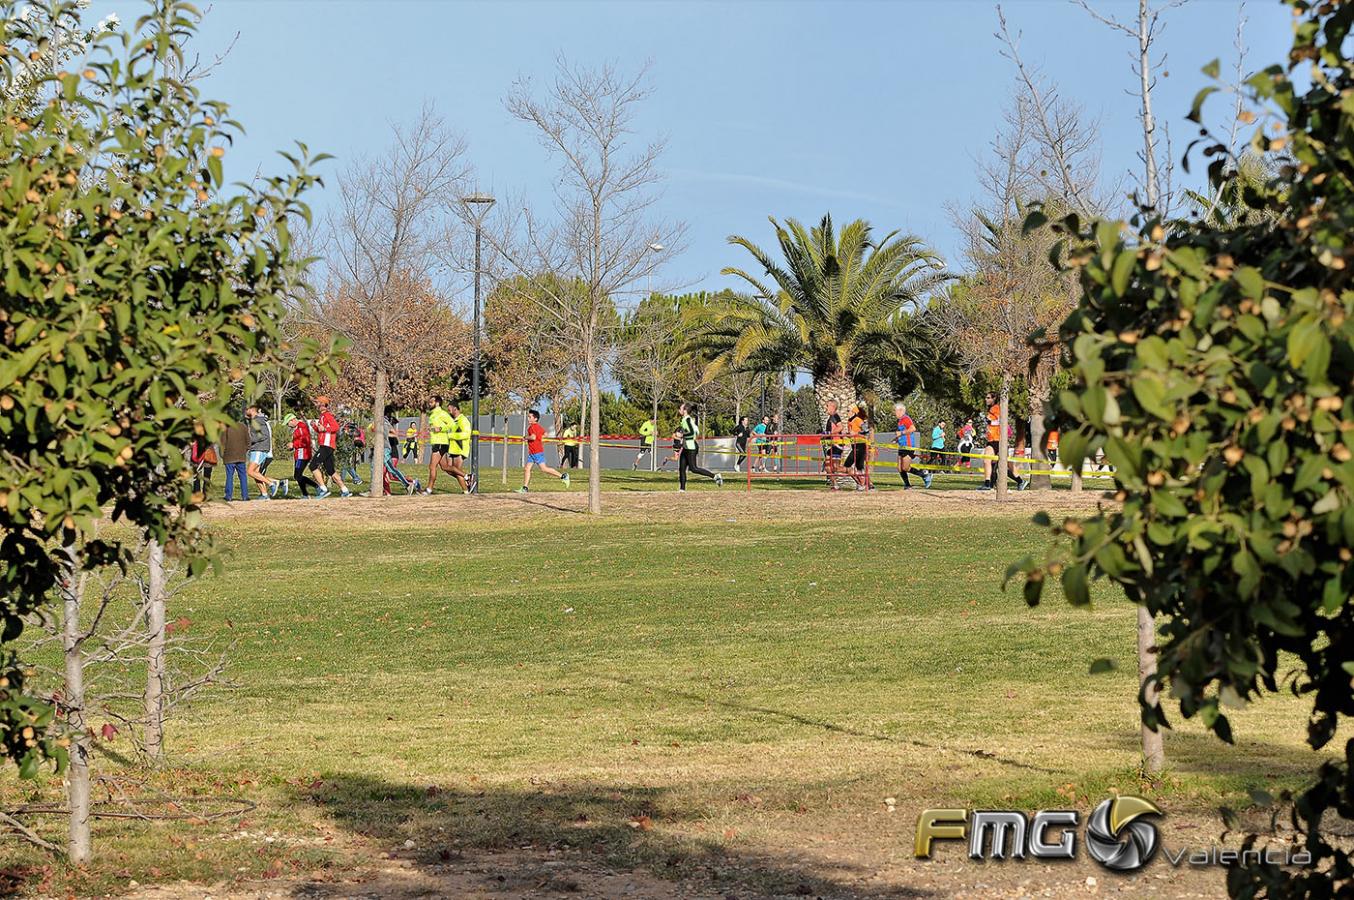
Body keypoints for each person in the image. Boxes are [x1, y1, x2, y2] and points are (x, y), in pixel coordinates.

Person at [518, 409, 570, 493]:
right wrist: (540, 440)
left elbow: (533, 437)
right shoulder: (538, 427)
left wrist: (525, 437)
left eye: (530, 417)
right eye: (528, 417)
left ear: (535, 419)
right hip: (533, 452)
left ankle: (563, 476)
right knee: (527, 468)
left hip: (536, 452)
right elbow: (545, 434)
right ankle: (525, 488)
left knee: (544, 469)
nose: (528, 418)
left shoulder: (532, 427)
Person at [674, 401, 723, 491]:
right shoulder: (685, 419)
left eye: (680, 408)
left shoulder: (687, 419)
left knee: (694, 468)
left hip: (691, 447)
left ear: (685, 411)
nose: (679, 410)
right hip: (686, 447)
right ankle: (682, 489)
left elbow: (692, 433)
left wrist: (682, 435)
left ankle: (715, 476)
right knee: (682, 468)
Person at [982, 392, 1024, 491]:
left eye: (988, 398)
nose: (986, 399)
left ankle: (1020, 481)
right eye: (986, 397)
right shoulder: (991, 409)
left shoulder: (996, 408)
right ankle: (987, 484)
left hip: (999, 440)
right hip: (991, 440)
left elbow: (1002, 420)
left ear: (994, 398)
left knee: (1006, 464)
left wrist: (990, 422)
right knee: (987, 460)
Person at [312, 396, 352, 497]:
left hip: (326, 446)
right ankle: (345, 490)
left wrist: (324, 428)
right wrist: (315, 426)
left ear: (322, 404)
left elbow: (336, 427)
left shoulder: (327, 415)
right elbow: (322, 430)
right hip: (327, 446)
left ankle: (323, 489)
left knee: (313, 466)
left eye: (317, 403)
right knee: (331, 471)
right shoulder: (322, 416)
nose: (315, 405)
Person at [245, 405, 286, 498]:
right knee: (256, 473)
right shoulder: (254, 421)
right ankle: (265, 494)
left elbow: (263, 435)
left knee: (250, 471)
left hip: (259, 449)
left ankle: (271, 484)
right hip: (256, 448)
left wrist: (249, 439)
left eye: (246, 410)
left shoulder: (258, 421)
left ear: (252, 410)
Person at [285, 414, 322, 498]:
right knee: (298, 475)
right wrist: (292, 447)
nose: (288, 425)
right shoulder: (298, 428)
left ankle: (317, 487)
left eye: (288, 423)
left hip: (303, 454)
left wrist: (293, 444)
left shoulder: (301, 427)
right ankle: (305, 494)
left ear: (292, 420)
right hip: (300, 454)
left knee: (297, 475)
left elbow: (306, 442)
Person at [894, 402, 930, 489]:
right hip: (902, 446)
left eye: (895, 411)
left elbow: (913, 429)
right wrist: (897, 439)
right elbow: (904, 434)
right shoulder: (900, 421)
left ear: (901, 410)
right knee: (899, 468)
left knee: (905, 468)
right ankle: (907, 485)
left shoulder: (906, 418)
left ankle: (924, 475)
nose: (894, 413)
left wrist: (901, 433)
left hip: (908, 446)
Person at [425, 396, 454, 493]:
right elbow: (434, 427)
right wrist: (431, 429)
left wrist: (441, 428)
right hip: (436, 442)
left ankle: (429, 489)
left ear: (437, 403)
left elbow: (452, 424)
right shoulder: (433, 414)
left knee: (432, 466)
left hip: (440, 442)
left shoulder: (441, 413)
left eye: (431, 402)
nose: (429, 403)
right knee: (445, 467)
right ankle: (466, 477)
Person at [220, 419, 251, 501]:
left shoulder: (225, 427)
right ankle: (245, 496)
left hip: (229, 456)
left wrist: (222, 455)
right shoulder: (243, 426)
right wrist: (244, 450)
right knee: (243, 476)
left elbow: (222, 443)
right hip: (241, 455)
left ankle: (228, 496)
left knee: (229, 476)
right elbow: (248, 442)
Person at [446, 401, 472, 493]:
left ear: (455, 409)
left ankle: (466, 490)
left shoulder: (463, 420)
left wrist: (450, 435)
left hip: (460, 448)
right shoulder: (453, 421)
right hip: (452, 449)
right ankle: (467, 478)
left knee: (457, 471)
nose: (449, 412)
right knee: (449, 469)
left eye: (449, 410)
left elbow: (466, 434)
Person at [844, 403, 870, 490]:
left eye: (848, 411)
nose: (847, 412)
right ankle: (866, 485)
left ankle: (862, 484)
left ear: (853, 412)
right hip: (854, 445)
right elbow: (852, 433)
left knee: (848, 465)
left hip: (861, 445)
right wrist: (848, 435)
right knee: (859, 467)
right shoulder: (849, 421)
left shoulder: (857, 420)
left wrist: (856, 433)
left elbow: (867, 431)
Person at [822, 400, 847, 490]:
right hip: (832, 445)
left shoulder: (834, 416)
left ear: (832, 407)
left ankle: (854, 473)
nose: (825, 408)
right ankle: (835, 485)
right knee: (827, 467)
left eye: (827, 406)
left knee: (836, 468)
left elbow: (840, 427)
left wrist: (829, 433)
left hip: (837, 444)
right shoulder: (831, 417)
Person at [190, 432, 216, 498]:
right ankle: (205, 494)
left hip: (198, 455)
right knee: (206, 476)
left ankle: (197, 492)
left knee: (197, 476)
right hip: (206, 455)